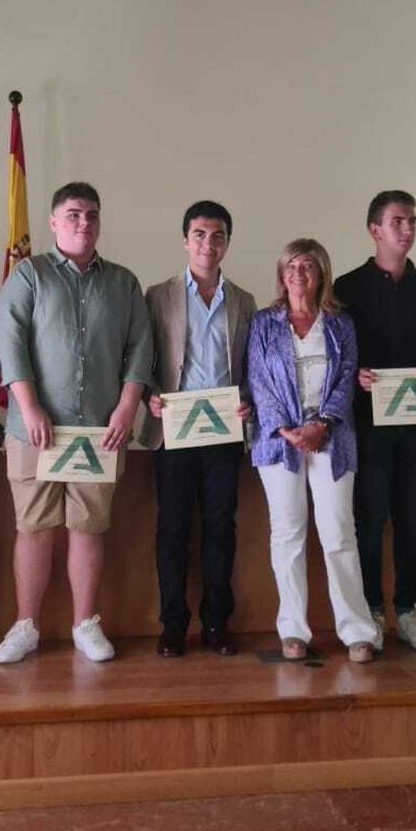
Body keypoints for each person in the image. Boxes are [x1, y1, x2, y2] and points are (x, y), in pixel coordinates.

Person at [0, 182, 152, 664]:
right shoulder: (29, 275)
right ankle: (26, 627)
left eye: (93, 215)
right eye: (74, 214)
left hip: (99, 431)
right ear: (54, 222)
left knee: (88, 526)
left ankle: (85, 623)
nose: (85, 223)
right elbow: (10, 343)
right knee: (34, 527)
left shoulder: (123, 283)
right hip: (33, 429)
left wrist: (126, 409)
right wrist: (31, 405)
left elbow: (140, 351)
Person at [246, 239, 379, 663]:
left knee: (339, 531)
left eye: (307, 267)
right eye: (291, 267)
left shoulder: (340, 324)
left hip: (332, 438)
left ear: (321, 273)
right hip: (279, 441)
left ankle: (357, 630)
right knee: (287, 534)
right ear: (281, 275)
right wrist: (289, 430)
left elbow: (345, 381)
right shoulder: (264, 323)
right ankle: (293, 630)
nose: (298, 274)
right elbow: (259, 383)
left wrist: (321, 425)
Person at [144, 201, 256, 658]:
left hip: (224, 432)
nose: (208, 244)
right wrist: (150, 393)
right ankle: (173, 625)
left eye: (217, 236)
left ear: (228, 242)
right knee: (172, 528)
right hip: (174, 431)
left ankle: (216, 623)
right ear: (185, 240)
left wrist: (249, 398)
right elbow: (141, 358)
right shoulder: (158, 296)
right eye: (199, 235)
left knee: (220, 528)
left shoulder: (245, 302)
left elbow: (254, 366)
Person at [333, 190, 416, 654]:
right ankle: (373, 609)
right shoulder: (346, 288)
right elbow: (336, 359)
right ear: (375, 229)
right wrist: (354, 374)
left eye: (412, 220)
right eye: (397, 221)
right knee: (370, 521)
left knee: (412, 521)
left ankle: (409, 609)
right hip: (368, 428)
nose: (407, 229)